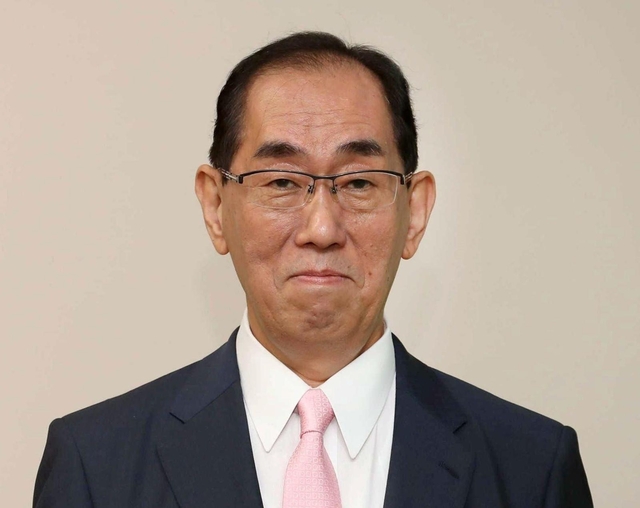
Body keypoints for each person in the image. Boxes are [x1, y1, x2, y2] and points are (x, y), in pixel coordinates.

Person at [33, 31, 593, 508]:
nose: (322, 228)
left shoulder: (531, 468)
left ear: (415, 212)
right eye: (281, 181)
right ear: (215, 206)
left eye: (359, 182)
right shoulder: (95, 465)